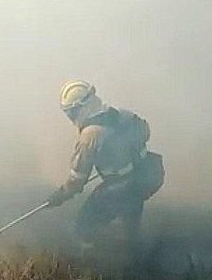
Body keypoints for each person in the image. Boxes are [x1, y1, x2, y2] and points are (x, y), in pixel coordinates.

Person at [46, 80, 165, 251]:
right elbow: (145, 131)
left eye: (71, 113)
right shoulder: (122, 114)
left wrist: (60, 195)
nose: (70, 118)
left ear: (83, 107)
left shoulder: (90, 136)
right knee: (130, 213)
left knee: (83, 225)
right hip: (148, 173)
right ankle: (134, 252)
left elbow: (78, 178)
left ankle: (93, 261)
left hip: (123, 185)